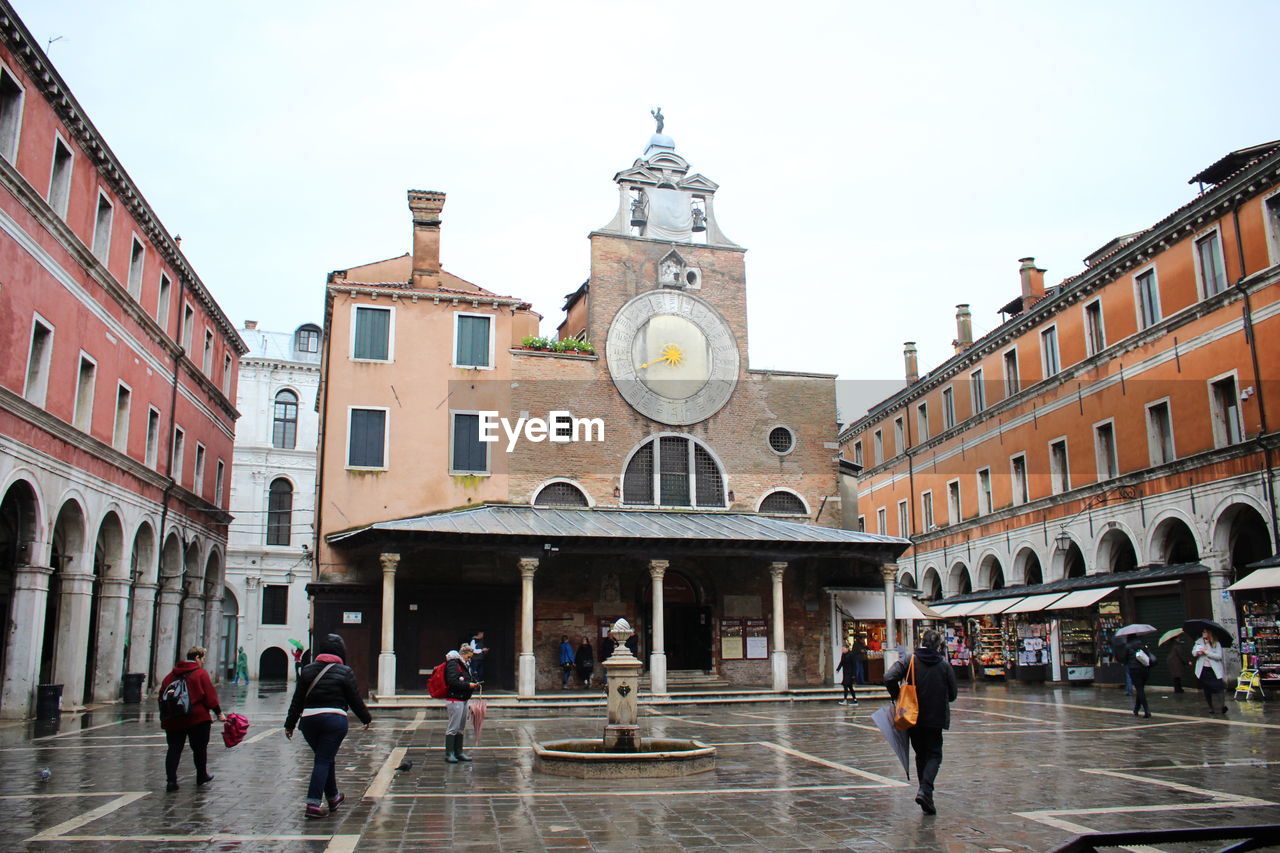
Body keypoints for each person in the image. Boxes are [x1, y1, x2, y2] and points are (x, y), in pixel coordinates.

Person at [284, 633, 372, 819]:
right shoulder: (344, 671)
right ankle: (313, 803)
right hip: (334, 720)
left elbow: (297, 699)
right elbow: (354, 699)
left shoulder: (307, 670)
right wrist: (366, 718)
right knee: (323, 760)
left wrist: (290, 724)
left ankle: (333, 797)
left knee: (324, 757)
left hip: (309, 721)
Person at [884, 629, 958, 816]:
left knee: (921, 755)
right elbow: (953, 694)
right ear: (938, 645)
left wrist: (898, 696)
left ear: (922, 641)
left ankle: (926, 793)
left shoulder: (910, 660)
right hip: (935, 718)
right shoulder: (944, 665)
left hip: (912, 716)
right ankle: (926, 791)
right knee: (934, 755)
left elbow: (889, 677)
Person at [160, 645, 225, 793]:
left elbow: (162, 696)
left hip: (174, 718)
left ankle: (171, 781)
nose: (203, 662)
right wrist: (219, 713)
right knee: (199, 749)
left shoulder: (170, 675)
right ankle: (201, 775)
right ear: (196, 658)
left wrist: (165, 714)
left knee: (174, 748)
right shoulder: (200, 674)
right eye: (202, 659)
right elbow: (210, 696)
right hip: (197, 718)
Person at [443, 644, 480, 763]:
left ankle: (459, 752)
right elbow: (452, 682)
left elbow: (467, 678)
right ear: (463, 654)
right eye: (468, 657)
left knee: (461, 727)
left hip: (463, 699)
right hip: (455, 699)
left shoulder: (465, 665)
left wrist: (474, 683)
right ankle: (450, 753)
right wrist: (468, 685)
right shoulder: (454, 664)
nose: (470, 659)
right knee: (453, 727)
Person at [1192, 628, 1228, 715]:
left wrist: (1207, 652)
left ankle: (1223, 706)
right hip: (1203, 669)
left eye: (1204, 632)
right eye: (1202, 632)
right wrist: (1198, 653)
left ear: (1209, 633)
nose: (1203, 633)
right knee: (1207, 689)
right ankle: (1211, 708)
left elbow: (1219, 656)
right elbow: (1193, 653)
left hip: (1213, 670)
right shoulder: (1199, 642)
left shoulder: (1216, 643)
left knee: (1219, 687)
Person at [1127, 638, 1154, 718]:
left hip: (1134, 670)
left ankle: (1147, 710)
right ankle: (1136, 709)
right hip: (1144, 670)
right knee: (1140, 689)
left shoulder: (1127, 646)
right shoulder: (1142, 645)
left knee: (1139, 689)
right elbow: (1148, 656)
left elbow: (1123, 658)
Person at [835, 641, 859, 706]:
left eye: (843, 649)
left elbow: (854, 665)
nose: (842, 650)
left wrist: (854, 674)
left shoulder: (851, 655)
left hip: (850, 673)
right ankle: (855, 700)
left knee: (846, 686)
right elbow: (841, 662)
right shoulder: (843, 655)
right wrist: (838, 669)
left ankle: (846, 699)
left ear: (847, 649)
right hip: (845, 673)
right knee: (850, 687)